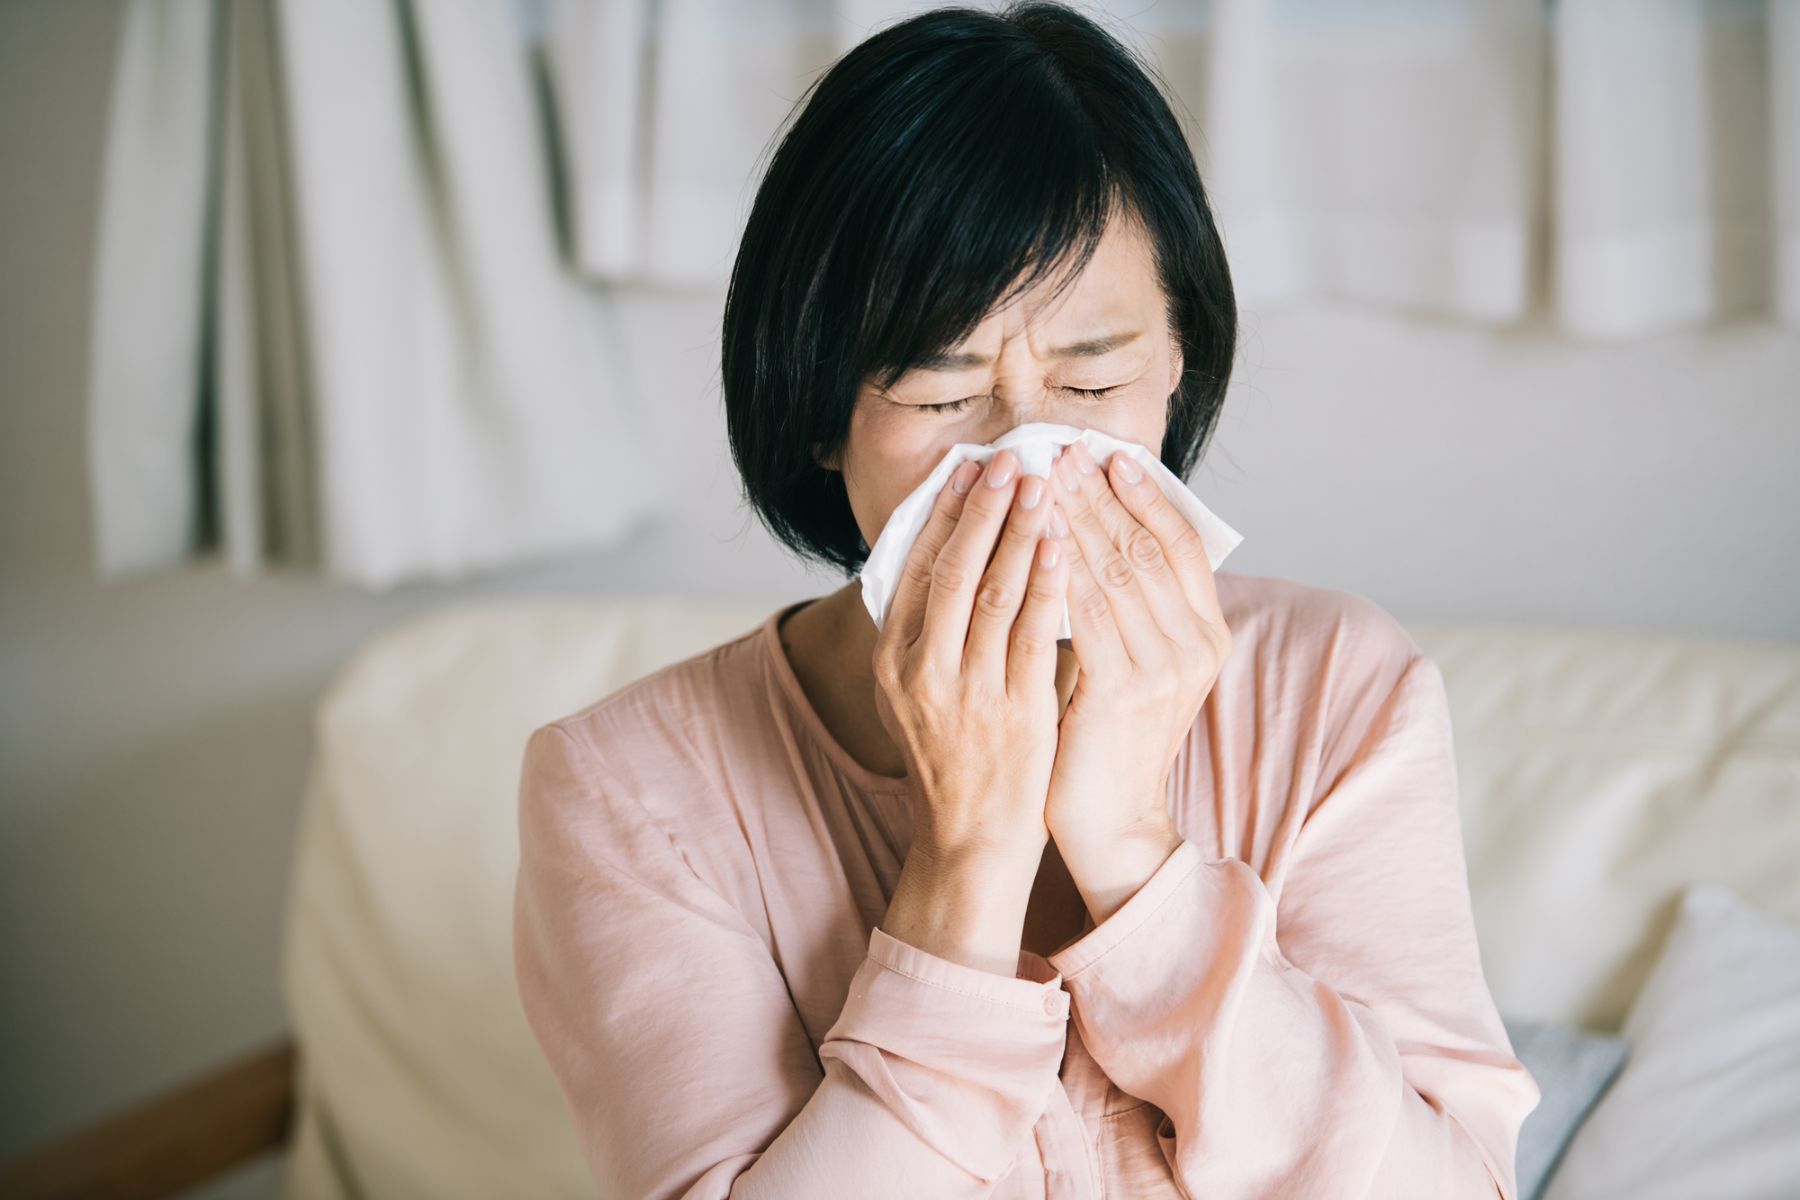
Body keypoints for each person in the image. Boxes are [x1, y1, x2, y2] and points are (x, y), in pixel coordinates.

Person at [511, 3, 1541, 1196]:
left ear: (1177, 366)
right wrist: (967, 860)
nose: (1028, 456)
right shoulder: (630, 790)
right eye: (944, 394)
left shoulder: (1335, 688)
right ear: (816, 411)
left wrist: (1133, 856)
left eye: (1091, 376)